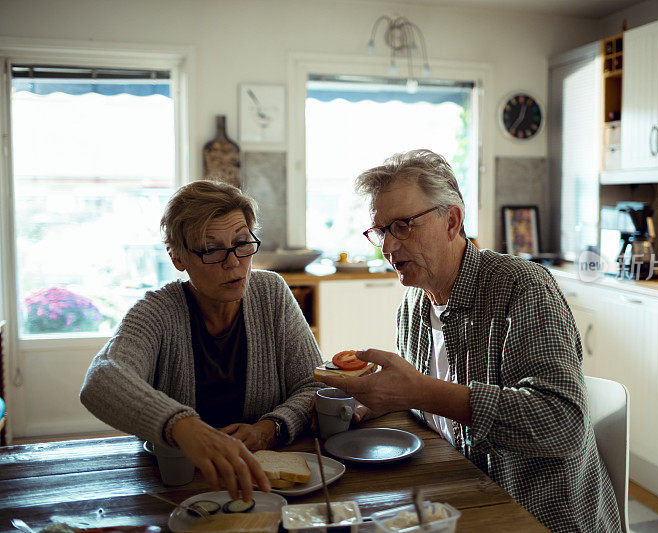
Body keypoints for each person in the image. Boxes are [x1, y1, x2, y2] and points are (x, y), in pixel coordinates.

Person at [318, 150, 621, 532]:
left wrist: (419, 393)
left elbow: (562, 423)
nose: (388, 248)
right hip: (464, 500)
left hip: (538, 518)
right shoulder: (413, 304)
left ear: (452, 220)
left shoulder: (521, 287)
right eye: (380, 231)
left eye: (403, 226)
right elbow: (430, 410)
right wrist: (370, 403)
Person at [81, 180, 322, 501]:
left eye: (241, 243)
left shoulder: (272, 294)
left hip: (266, 488)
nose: (233, 261)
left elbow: (314, 385)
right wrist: (182, 427)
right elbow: (101, 381)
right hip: (175, 487)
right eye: (211, 249)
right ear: (177, 257)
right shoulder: (156, 311)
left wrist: (269, 429)